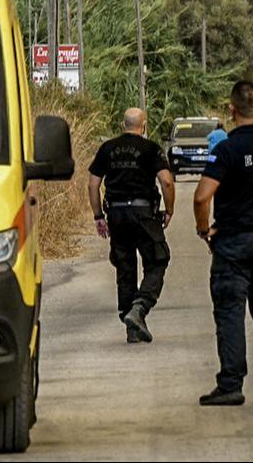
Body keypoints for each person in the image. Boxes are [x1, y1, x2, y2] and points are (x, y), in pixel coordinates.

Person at [194, 80, 253, 406]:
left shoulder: (227, 149)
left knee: (231, 312)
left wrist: (204, 230)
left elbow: (202, 196)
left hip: (233, 239)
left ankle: (231, 384)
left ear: (231, 110)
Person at [88, 108, 176, 343]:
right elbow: (166, 181)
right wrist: (169, 210)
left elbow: (92, 185)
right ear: (144, 125)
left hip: (116, 214)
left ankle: (132, 327)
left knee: (125, 267)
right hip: (143, 213)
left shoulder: (107, 148)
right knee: (158, 260)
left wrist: (98, 216)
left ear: (122, 124)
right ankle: (140, 308)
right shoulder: (151, 148)